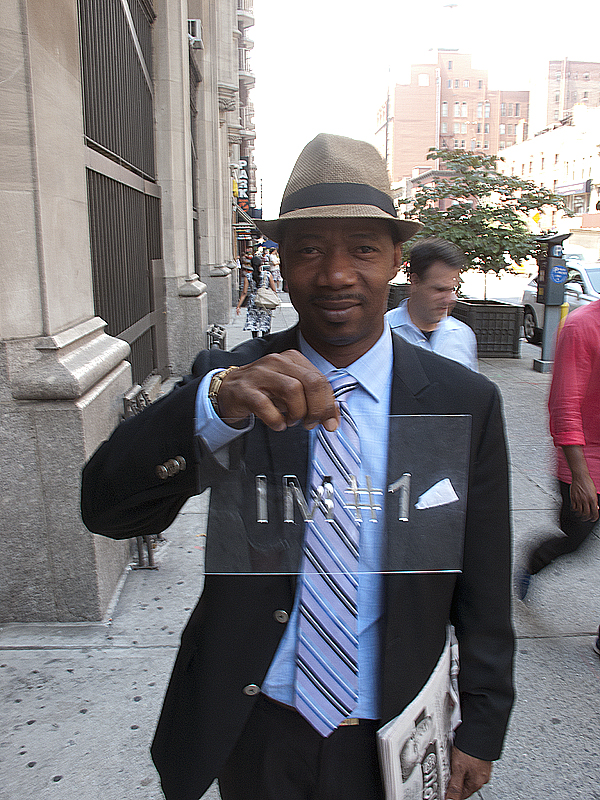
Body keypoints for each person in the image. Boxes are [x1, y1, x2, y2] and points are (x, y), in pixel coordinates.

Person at [81, 133, 514, 800]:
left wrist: (482, 725)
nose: (336, 274)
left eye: (362, 249)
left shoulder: (462, 401)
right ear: (279, 263)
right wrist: (214, 408)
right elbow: (107, 509)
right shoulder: (234, 383)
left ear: (396, 261)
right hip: (257, 725)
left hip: (395, 727)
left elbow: (483, 579)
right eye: (309, 250)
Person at [517, 300, 600, 628]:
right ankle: (534, 560)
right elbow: (565, 404)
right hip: (587, 458)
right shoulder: (582, 326)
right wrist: (580, 476)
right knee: (576, 537)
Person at [385, 238, 478, 371]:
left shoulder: (462, 335)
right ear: (415, 281)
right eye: (440, 290)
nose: (449, 299)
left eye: (453, 289)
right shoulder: (383, 332)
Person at [235, 255, 278, 338]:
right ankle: (265, 342)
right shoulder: (268, 275)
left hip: (253, 302)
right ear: (260, 264)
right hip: (265, 301)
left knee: (254, 326)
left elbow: (244, 293)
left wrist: (238, 306)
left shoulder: (248, 276)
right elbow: (274, 290)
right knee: (265, 325)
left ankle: (256, 341)